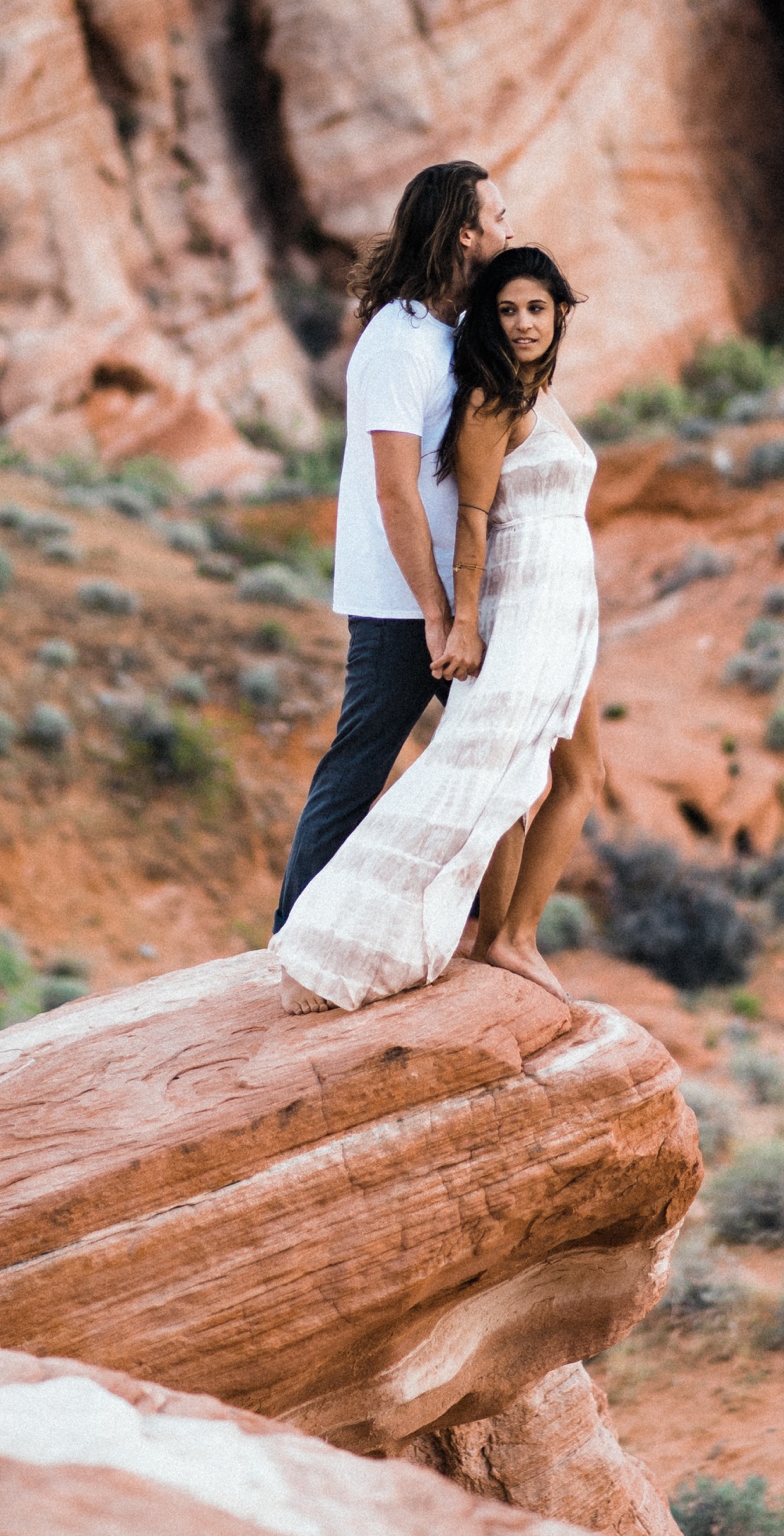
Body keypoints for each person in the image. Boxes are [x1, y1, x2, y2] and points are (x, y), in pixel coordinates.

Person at [272, 244, 604, 1013]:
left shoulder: (540, 392)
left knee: (578, 774)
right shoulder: (490, 399)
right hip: (521, 602)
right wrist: (460, 624)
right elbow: (476, 523)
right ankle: (498, 938)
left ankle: (507, 934)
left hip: (569, 605)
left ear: (561, 315)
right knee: (503, 772)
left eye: (536, 308)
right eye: (508, 309)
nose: (523, 323)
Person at [271, 160, 512, 940]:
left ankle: (470, 922)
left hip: (443, 595)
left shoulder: (443, 333)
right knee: (356, 771)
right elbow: (394, 492)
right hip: (403, 602)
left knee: (498, 757)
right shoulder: (398, 343)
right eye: (499, 218)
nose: (511, 231)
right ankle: (293, 937)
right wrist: (439, 615)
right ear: (465, 233)